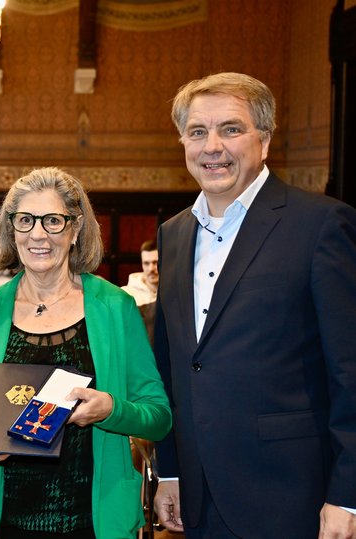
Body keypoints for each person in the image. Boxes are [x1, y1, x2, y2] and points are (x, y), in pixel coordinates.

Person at [153, 72, 356, 538]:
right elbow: (173, 365)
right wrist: (172, 471)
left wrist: (348, 493)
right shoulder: (175, 233)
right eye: (198, 132)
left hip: (290, 494)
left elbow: (350, 370)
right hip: (199, 495)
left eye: (231, 128)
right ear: (183, 142)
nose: (212, 146)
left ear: (264, 140)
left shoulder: (322, 225)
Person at [0, 167, 172, 538]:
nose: (38, 234)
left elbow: (158, 416)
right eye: (25, 220)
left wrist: (110, 409)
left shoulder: (115, 306)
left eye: (53, 221)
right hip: (5, 522)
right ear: (11, 230)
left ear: (75, 230)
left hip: (94, 521)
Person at [121, 239, 158, 306]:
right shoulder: (126, 293)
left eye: (155, 263)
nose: (151, 269)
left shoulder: (174, 293)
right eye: (146, 263)